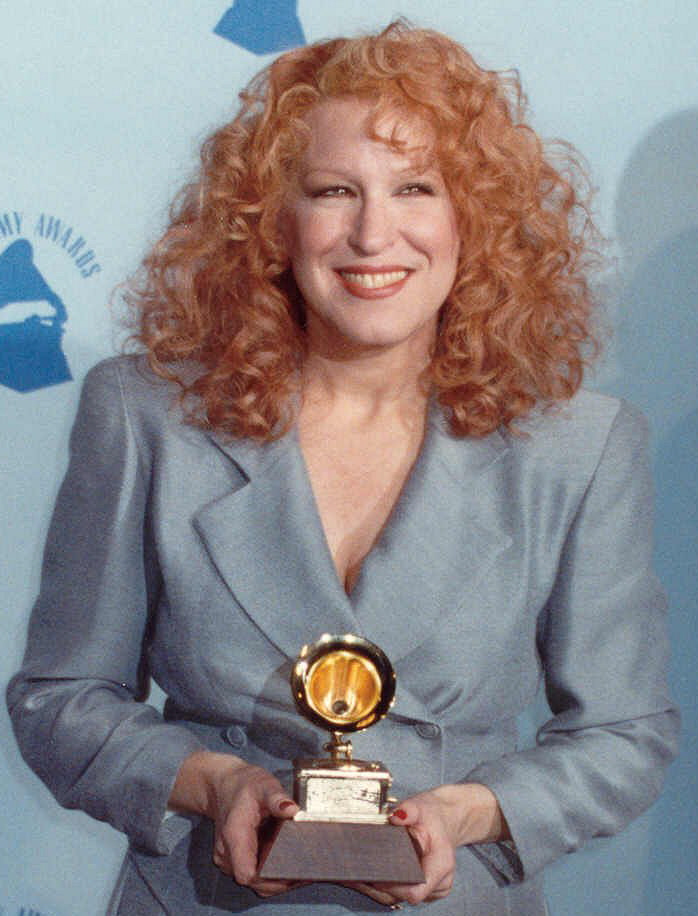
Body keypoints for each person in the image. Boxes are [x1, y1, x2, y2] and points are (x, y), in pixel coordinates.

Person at [7, 21, 679, 916]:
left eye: (415, 188)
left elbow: (625, 735)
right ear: (273, 221)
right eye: (334, 191)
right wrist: (212, 782)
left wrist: (466, 815)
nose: (373, 234)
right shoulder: (147, 416)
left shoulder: (578, 448)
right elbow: (62, 698)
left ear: (473, 219)